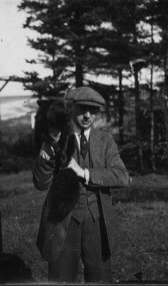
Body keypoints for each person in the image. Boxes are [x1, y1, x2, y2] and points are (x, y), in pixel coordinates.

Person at [33, 86, 130, 283]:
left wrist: (83, 172)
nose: (88, 115)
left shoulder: (105, 141)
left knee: (100, 279)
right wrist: (45, 158)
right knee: (61, 279)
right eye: (82, 109)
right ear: (71, 109)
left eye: (93, 110)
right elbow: (41, 184)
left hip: (98, 223)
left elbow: (122, 176)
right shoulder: (56, 138)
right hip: (62, 223)